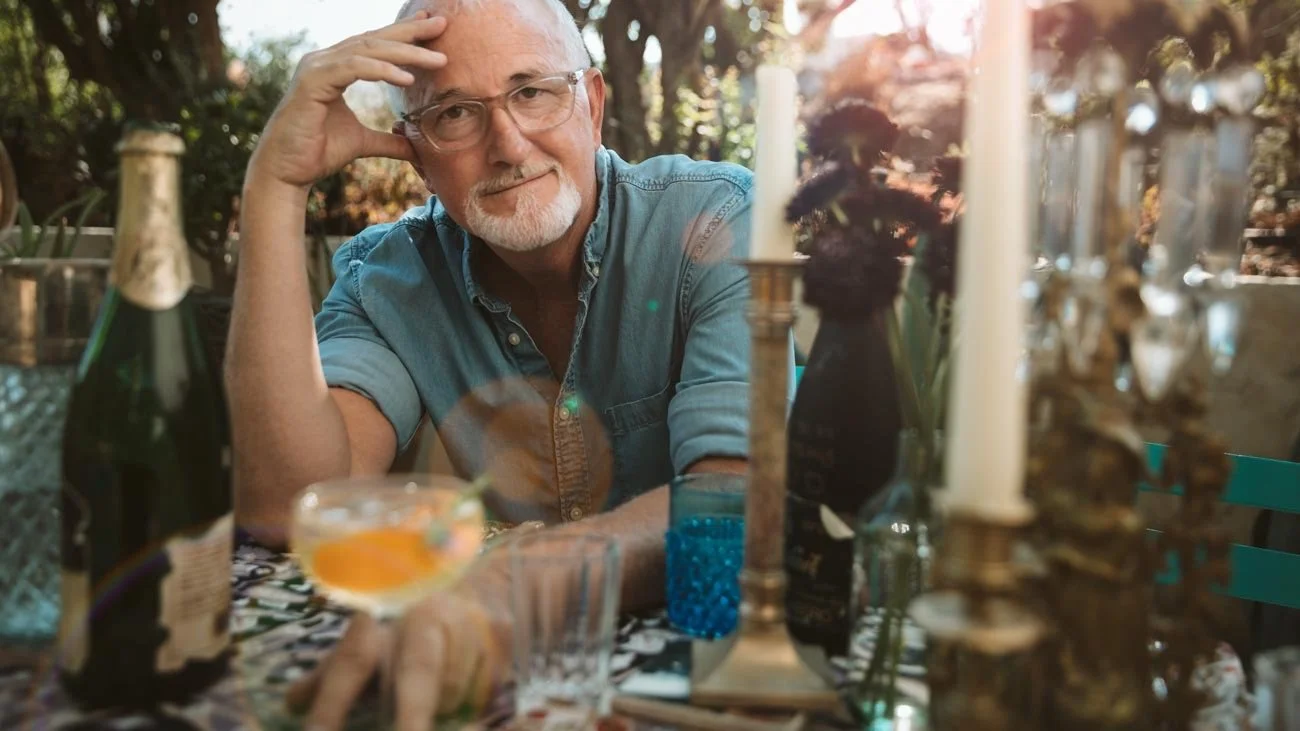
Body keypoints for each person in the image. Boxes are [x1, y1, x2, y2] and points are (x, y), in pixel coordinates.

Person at [225, 0, 785, 727]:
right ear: (416, 152)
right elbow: (285, 506)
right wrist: (275, 186)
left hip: (696, 688)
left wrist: (512, 584)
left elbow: (742, 502)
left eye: (532, 91)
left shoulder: (714, 223)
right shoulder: (386, 280)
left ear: (592, 102)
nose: (509, 145)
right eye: (455, 113)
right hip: (475, 688)